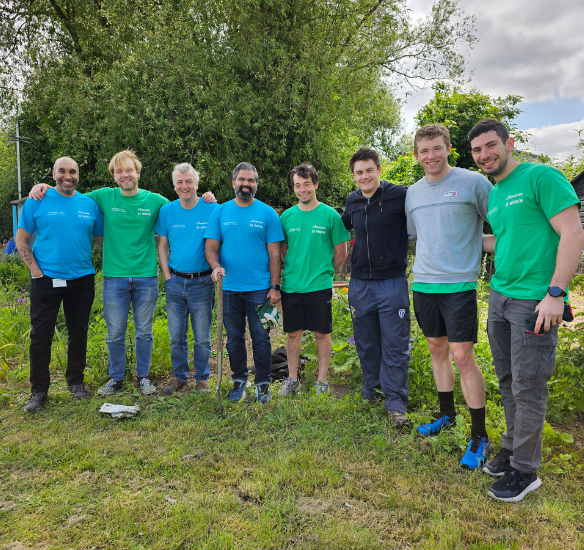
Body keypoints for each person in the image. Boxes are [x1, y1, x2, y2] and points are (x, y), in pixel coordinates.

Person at [28, 151, 213, 395]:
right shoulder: (103, 197)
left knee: (144, 332)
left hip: (146, 277)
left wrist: (207, 197)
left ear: (138, 172)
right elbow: (69, 193)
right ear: (114, 176)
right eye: (119, 171)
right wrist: (42, 187)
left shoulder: (156, 201)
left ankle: (143, 377)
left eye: (129, 170)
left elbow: (184, 201)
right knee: (114, 334)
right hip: (114, 277)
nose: (124, 175)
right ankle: (116, 378)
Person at [470, 119, 584, 502]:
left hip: (534, 302)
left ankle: (525, 471)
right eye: (477, 150)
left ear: (509, 143)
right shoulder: (498, 194)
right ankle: (513, 448)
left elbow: (572, 232)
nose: (484, 155)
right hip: (500, 297)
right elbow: (501, 242)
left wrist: (556, 293)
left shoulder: (542, 178)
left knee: (529, 386)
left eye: (490, 145)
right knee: (507, 381)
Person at [406, 123, 492, 470]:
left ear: (448, 149)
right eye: (424, 151)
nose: (431, 156)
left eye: (437, 148)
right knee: (436, 349)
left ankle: (479, 435)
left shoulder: (474, 183)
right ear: (417, 155)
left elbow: (498, 229)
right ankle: (447, 416)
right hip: (423, 284)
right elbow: (418, 236)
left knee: (462, 355)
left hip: (459, 286)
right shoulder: (412, 193)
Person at [16, 157, 104, 411]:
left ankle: (76, 383)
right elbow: (22, 241)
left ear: (78, 175)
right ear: (54, 173)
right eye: (62, 171)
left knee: (79, 334)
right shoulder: (37, 201)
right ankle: (38, 391)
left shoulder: (90, 205)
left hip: (82, 280)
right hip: (46, 280)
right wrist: (36, 273)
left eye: (73, 171)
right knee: (40, 335)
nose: (68, 176)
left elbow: (103, 241)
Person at [341, 148, 411, 428]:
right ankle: (373, 389)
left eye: (369, 170)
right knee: (367, 342)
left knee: (394, 343)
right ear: (354, 176)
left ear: (379, 170)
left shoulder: (400, 195)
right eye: (359, 172)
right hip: (359, 283)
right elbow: (340, 225)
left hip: (392, 282)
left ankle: (395, 404)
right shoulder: (353, 200)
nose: (364, 176)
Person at [204, 162, 284, 403]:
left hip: (260, 288)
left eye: (251, 180)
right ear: (233, 183)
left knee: (262, 337)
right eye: (242, 180)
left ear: (256, 184)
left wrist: (274, 286)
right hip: (228, 289)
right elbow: (210, 248)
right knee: (235, 338)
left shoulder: (268, 213)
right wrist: (216, 266)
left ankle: (262, 383)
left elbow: (274, 255)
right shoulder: (220, 212)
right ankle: (239, 379)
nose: (246, 184)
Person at [278, 164, 349, 396]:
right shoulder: (287, 217)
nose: (302, 189)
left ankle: (322, 381)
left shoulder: (330, 215)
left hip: (319, 286)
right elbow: (283, 250)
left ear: (316, 184)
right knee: (293, 334)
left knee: (321, 333)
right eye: (297, 185)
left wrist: (326, 272)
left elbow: (341, 252)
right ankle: (292, 379)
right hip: (292, 285)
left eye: (306, 184)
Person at [155, 163, 219, 395]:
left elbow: (220, 241)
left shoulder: (212, 208)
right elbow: (162, 245)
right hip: (175, 282)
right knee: (176, 336)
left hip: (202, 282)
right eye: (180, 182)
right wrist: (166, 275)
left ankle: (202, 378)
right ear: (174, 186)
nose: (185, 186)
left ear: (197, 184)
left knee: (202, 337)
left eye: (189, 181)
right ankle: (180, 376)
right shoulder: (167, 211)